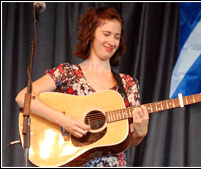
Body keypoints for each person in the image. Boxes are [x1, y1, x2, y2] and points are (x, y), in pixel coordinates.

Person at [15, 6, 149, 167]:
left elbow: (126, 140)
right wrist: (64, 121)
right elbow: (23, 97)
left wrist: (140, 133)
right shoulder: (67, 73)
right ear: (91, 34)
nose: (112, 42)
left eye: (117, 37)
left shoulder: (128, 84)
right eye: (106, 34)